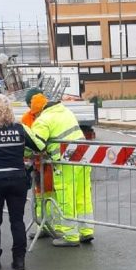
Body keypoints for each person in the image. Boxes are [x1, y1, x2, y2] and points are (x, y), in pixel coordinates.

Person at [0, 94, 40, 270]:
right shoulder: (21, 129)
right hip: (17, 179)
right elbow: (38, 145)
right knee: (17, 221)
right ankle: (19, 261)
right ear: (10, 111)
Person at [29, 92, 93, 247]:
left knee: (66, 197)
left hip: (65, 163)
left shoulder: (43, 120)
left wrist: (25, 152)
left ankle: (70, 235)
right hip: (83, 159)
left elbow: (36, 144)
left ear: (37, 111)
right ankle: (86, 231)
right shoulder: (65, 111)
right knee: (82, 196)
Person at [21, 89, 58, 240]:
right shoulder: (27, 118)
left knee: (51, 194)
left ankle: (51, 224)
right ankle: (41, 225)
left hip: (49, 161)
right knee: (40, 194)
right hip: (38, 163)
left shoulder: (46, 116)